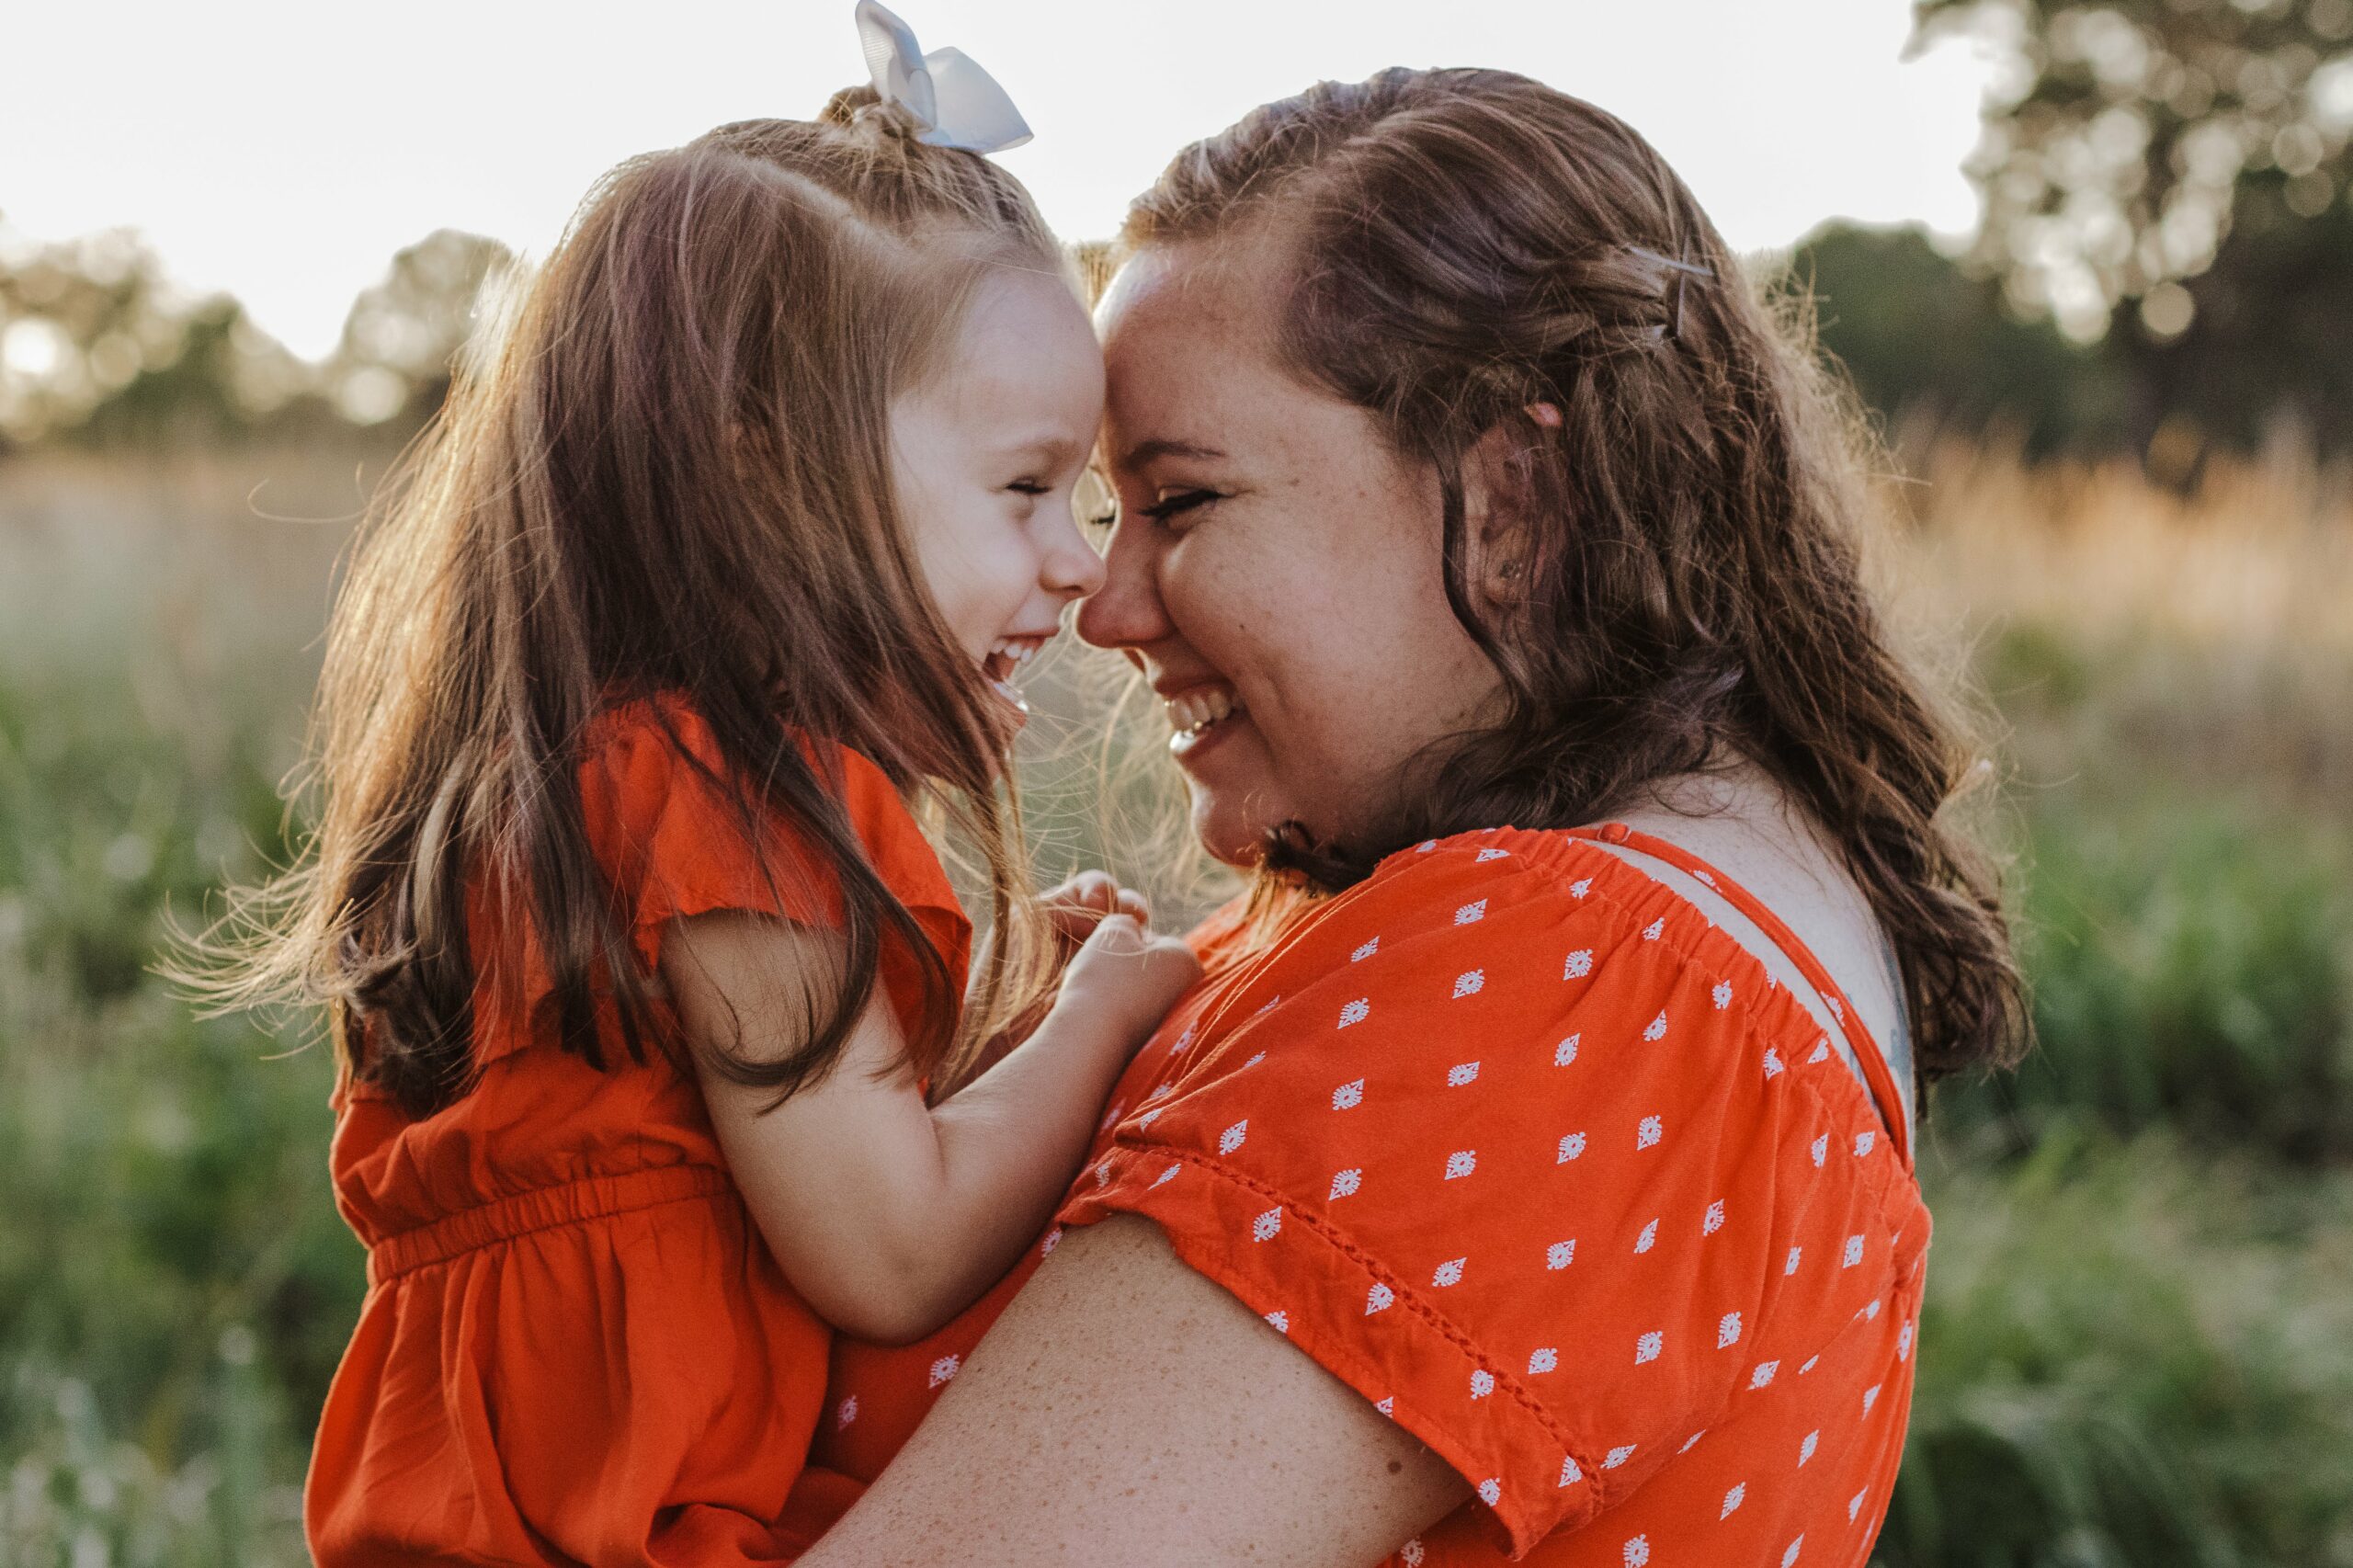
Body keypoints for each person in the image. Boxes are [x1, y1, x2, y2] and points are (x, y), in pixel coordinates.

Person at [796, 67, 2026, 1566]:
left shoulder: (1580, 982)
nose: (1103, 606)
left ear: (1513, 499)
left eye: (1179, 503)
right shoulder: (1583, 927)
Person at [190, 15, 1199, 1562]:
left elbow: (766, 1170)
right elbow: (891, 1245)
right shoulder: (728, 809)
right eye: (1024, 487)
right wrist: (1101, 1020)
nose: (1076, 560)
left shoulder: (620, 777)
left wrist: (977, 1034)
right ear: (768, 478)